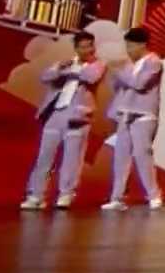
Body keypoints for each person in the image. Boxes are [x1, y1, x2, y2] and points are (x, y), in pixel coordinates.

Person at [22, 31, 106, 209]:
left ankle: (66, 194)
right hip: (55, 114)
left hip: (78, 117)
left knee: (72, 159)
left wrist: (70, 71)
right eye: (83, 47)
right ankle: (36, 195)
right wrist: (59, 68)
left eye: (90, 46)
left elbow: (90, 77)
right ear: (76, 48)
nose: (87, 50)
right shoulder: (65, 63)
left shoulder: (98, 64)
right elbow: (45, 77)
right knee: (44, 157)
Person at [102, 27, 164, 211]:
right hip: (125, 112)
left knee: (142, 155)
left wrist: (118, 70)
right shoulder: (130, 65)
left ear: (142, 45)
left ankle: (154, 195)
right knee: (121, 157)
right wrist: (117, 74)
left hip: (144, 114)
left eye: (131, 46)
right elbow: (119, 87)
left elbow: (139, 84)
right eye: (127, 46)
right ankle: (117, 198)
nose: (128, 50)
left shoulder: (154, 62)